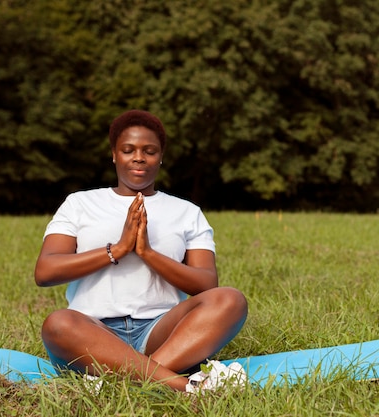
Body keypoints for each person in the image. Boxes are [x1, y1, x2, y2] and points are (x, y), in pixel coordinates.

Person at [34, 109, 248, 392]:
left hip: (161, 332)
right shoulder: (80, 204)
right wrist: (118, 249)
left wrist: (147, 253)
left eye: (149, 151)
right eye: (128, 150)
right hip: (92, 331)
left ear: (161, 157)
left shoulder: (186, 211)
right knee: (58, 323)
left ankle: (133, 384)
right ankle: (183, 386)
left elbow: (206, 283)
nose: (138, 157)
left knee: (230, 300)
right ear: (114, 154)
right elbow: (45, 271)